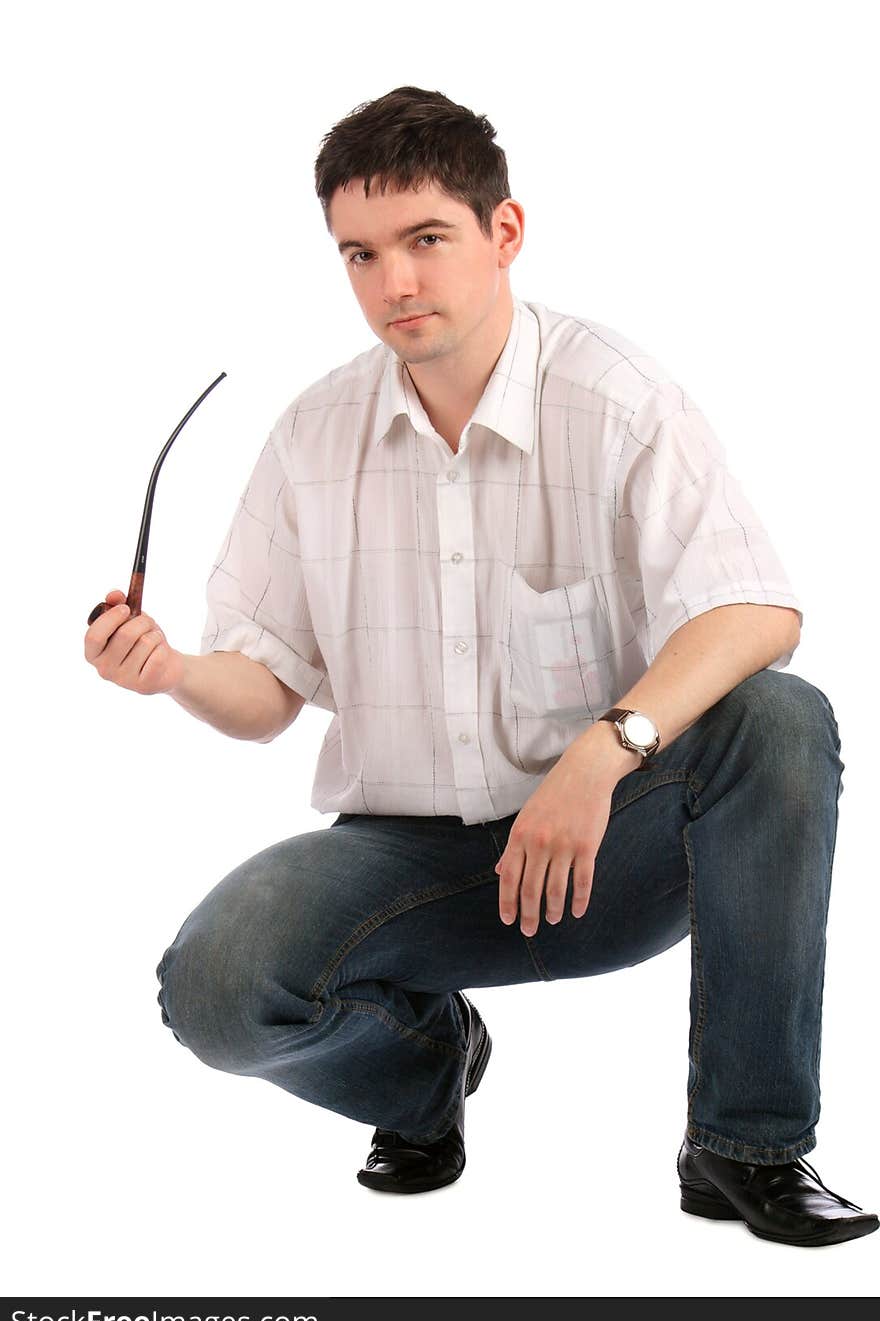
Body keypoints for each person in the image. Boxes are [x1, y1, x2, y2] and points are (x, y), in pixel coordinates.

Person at [85, 86, 877, 1247]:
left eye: (424, 240)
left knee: (778, 715)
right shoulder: (312, 437)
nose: (392, 282)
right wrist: (173, 674)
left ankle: (742, 1144)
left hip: (614, 847)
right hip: (410, 863)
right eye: (359, 253)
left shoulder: (616, 395)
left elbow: (755, 612)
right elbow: (265, 695)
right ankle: (426, 1074)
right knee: (213, 987)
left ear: (503, 233)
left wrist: (600, 758)